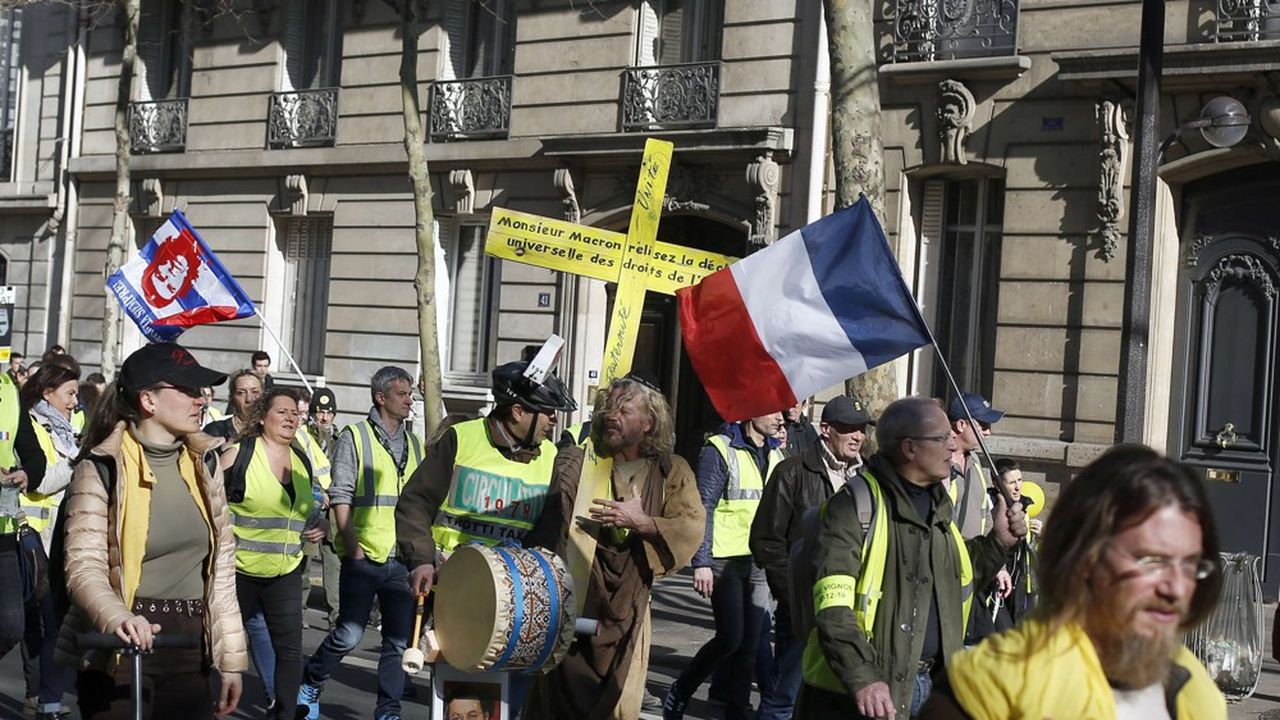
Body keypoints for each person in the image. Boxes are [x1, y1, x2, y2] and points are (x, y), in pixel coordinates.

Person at [920, 444, 1227, 719]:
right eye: (1151, 561)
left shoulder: (1193, 687)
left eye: (1190, 565)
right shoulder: (989, 690)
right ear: (1084, 558)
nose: (1175, 588)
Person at [797, 397, 1025, 719]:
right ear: (909, 448)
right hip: (868, 693)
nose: (951, 446)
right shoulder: (855, 505)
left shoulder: (938, 506)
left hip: (931, 684)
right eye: (941, 438)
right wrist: (864, 678)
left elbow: (957, 575)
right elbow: (833, 604)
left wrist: (1000, 541)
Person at [54, 342, 245, 719]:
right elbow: (83, 568)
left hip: (192, 646)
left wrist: (232, 658)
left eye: (201, 392)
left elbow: (221, 571)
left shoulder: (205, 464)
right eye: (188, 390)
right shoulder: (101, 468)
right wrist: (120, 618)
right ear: (149, 400)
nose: (200, 400)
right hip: (121, 646)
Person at [395, 359, 576, 714]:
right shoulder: (461, 440)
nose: (554, 421)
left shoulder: (551, 457)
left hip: (517, 610)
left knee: (506, 706)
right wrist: (420, 559)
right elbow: (415, 503)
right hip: (453, 597)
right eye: (547, 412)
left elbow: (551, 533)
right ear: (518, 411)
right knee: (458, 703)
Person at [523, 373, 704, 719]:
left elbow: (690, 526)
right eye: (607, 408)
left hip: (628, 618)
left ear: (650, 422)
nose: (611, 415)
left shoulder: (671, 472)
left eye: (623, 409)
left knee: (617, 706)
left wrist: (644, 523)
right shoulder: (577, 462)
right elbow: (546, 531)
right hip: (570, 607)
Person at [297, 366, 425, 720]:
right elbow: (341, 494)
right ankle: (312, 679)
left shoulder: (414, 444)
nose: (409, 400)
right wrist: (351, 545)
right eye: (402, 394)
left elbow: (421, 502)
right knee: (349, 634)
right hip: (365, 556)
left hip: (402, 559)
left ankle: (388, 711)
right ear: (380, 397)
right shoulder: (355, 437)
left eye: (410, 393)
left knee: (398, 643)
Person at [749, 396, 873, 720]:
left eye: (861, 429)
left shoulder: (870, 479)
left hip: (852, 612)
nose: (857, 436)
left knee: (833, 700)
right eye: (848, 428)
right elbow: (766, 540)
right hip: (804, 609)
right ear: (826, 429)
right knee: (784, 697)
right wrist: (793, 597)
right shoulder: (792, 472)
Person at [663, 411, 785, 720]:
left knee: (751, 644)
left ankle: (737, 710)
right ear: (752, 412)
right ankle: (681, 690)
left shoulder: (776, 452)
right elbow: (703, 505)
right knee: (731, 638)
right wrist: (701, 562)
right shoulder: (720, 449)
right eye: (773, 412)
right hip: (724, 559)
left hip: (758, 559)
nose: (780, 419)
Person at [220, 387, 325, 720]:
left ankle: (284, 713)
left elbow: (305, 510)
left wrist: (319, 523)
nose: (291, 418)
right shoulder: (238, 456)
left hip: (285, 571)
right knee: (219, 650)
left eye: (295, 413)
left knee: (290, 651)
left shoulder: (302, 461)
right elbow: (208, 509)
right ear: (262, 416)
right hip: (238, 572)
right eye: (282, 412)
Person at [15, 362, 79, 719]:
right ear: (47, 392)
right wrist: (77, 459)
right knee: (46, 620)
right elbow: (40, 480)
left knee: (37, 622)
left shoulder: (66, 427)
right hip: (33, 533)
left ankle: (38, 695)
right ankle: (45, 699)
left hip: (56, 535)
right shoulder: (32, 425)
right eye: (69, 393)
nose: (74, 401)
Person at [0, 356, 50, 695]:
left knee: (12, 625)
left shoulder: (8, 390)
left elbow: (34, 455)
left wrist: (26, 473)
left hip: (3, 531)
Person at [304, 387, 341, 628]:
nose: (324, 417)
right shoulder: (305, 437)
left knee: (333, 562)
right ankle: (298, 610)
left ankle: (336, 614)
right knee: (305, 560)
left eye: (328, 412)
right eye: (320, 412)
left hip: (334, 508)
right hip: (312, 505)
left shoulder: (340, 439)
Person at [945, 393, 1003, 540]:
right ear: (961, 425)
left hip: (973, 557)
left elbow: (984, 511)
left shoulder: (975, 461)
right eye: (983, 425)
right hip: (945, 559)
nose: (988, 432)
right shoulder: (937, 464)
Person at [204, 369, 262, 440]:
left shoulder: (273, 430)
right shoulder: (215, 431)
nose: (249, 399)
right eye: (241, 393)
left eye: (255, 392)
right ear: (232, 397)